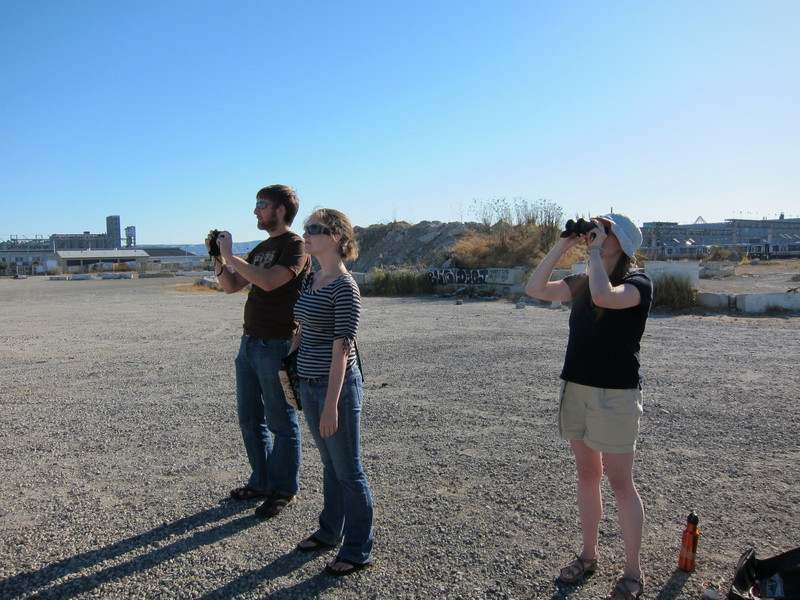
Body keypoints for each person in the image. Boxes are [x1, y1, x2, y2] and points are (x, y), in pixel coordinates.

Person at [525, 214, 652, 600]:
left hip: (615, 394)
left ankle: (632, 571)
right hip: (576, 386)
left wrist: (594, 252)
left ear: (624, 242)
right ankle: (589, 554)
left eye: (607, 230)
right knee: (586, 474)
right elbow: (535, 288)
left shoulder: (638, 283)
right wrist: (564, 245)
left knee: (619, 482)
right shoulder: (581, 280)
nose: (598, 235)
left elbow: (604, 297)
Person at [207, 185, 311, 519]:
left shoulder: (296, 246)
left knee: (281, 421)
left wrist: (231, 255)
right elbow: (232, 286)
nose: (255, 211)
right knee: (250, 418)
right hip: (250, 342)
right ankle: (262, 481)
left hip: (277, 342)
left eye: (261, 205)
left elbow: (269, 281)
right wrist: (218, 260)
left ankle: (285, 489)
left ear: (280, 210)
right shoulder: (264, 247)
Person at [289, 208, 374, 576]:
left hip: (334, 388)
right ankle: (330, 531)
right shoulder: (313, 277)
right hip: (307, 384)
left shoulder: (345, 287)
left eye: (313, 229)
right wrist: (287, 365)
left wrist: (331, 405)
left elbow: (343, 348)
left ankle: (357, 549)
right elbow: (304, 326)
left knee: (349, 471)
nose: (304, 234)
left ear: (336, 237)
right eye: (305, 228)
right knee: (329, 465)